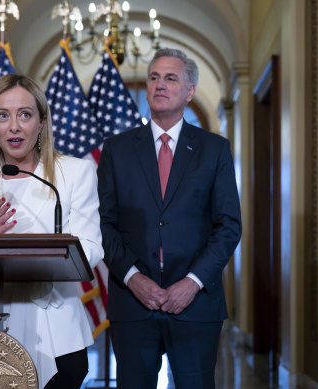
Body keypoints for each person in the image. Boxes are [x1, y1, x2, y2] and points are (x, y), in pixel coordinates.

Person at [97, 47, 242, 388]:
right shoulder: (116, 149)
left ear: (190, 92)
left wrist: (192, 282)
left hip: (196, 305)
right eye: (154, 77)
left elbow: (228, 225)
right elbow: (104, 222)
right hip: (132, 303)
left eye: (171, 78)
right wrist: (132, 277)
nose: (159, 84)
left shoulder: (214, 148)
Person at [0, 74, 103, 388]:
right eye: (2, 115)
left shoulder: (74, 172)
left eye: (25, 114)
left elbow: (90, 248)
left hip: (57, 327)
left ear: (42, 122)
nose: (14, 126)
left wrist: (36, 255)